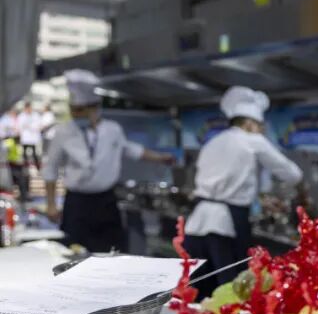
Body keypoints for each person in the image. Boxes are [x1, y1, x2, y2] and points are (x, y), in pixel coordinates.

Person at [184, 86, 303, 294]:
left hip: (196, 223)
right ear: (249, 123)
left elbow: (224, 178)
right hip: (226, 223)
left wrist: (260, 195)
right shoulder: (252, 140)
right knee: (233, 289)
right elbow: (292, 174)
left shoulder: (213, 142)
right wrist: (299, 189)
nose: (261, 131)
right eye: (259, 126)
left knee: (198, 287)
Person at [43, 69, 175, 252]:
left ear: (95, 108)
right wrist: (51, 204)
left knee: (110, 251)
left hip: (105, 201)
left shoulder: (112, 130)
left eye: (80, 110)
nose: (75, 115)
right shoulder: (64, 131)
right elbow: (51, 168)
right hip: (76, 203)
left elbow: (132, 150)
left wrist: (161, 158)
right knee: (73, 252)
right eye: (73, 110)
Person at [16, 102, 42, 171]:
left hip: (33, 138)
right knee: (24, 154)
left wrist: (31, 127)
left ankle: (38, 169)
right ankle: (25, 168)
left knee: (35, 154)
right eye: (27, 108)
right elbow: (19, 126)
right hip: (25, 138)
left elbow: (39, 125)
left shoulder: (36, 115)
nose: (28, 110)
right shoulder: (21, 116)